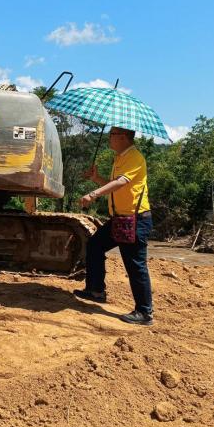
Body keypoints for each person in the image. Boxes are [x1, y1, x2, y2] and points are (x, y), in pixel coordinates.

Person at [73, 127, 154, 326]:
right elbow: (114, 184)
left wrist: (93, 194)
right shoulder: (120, 158)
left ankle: (144, 312)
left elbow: (121, 182)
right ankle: (95, 290)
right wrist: (97, 179)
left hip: (135, 220)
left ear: (123, 137)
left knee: (135, 265)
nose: (109, 138)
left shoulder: (134, 157)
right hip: (120, 219)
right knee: (95, 245)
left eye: (112, 135)